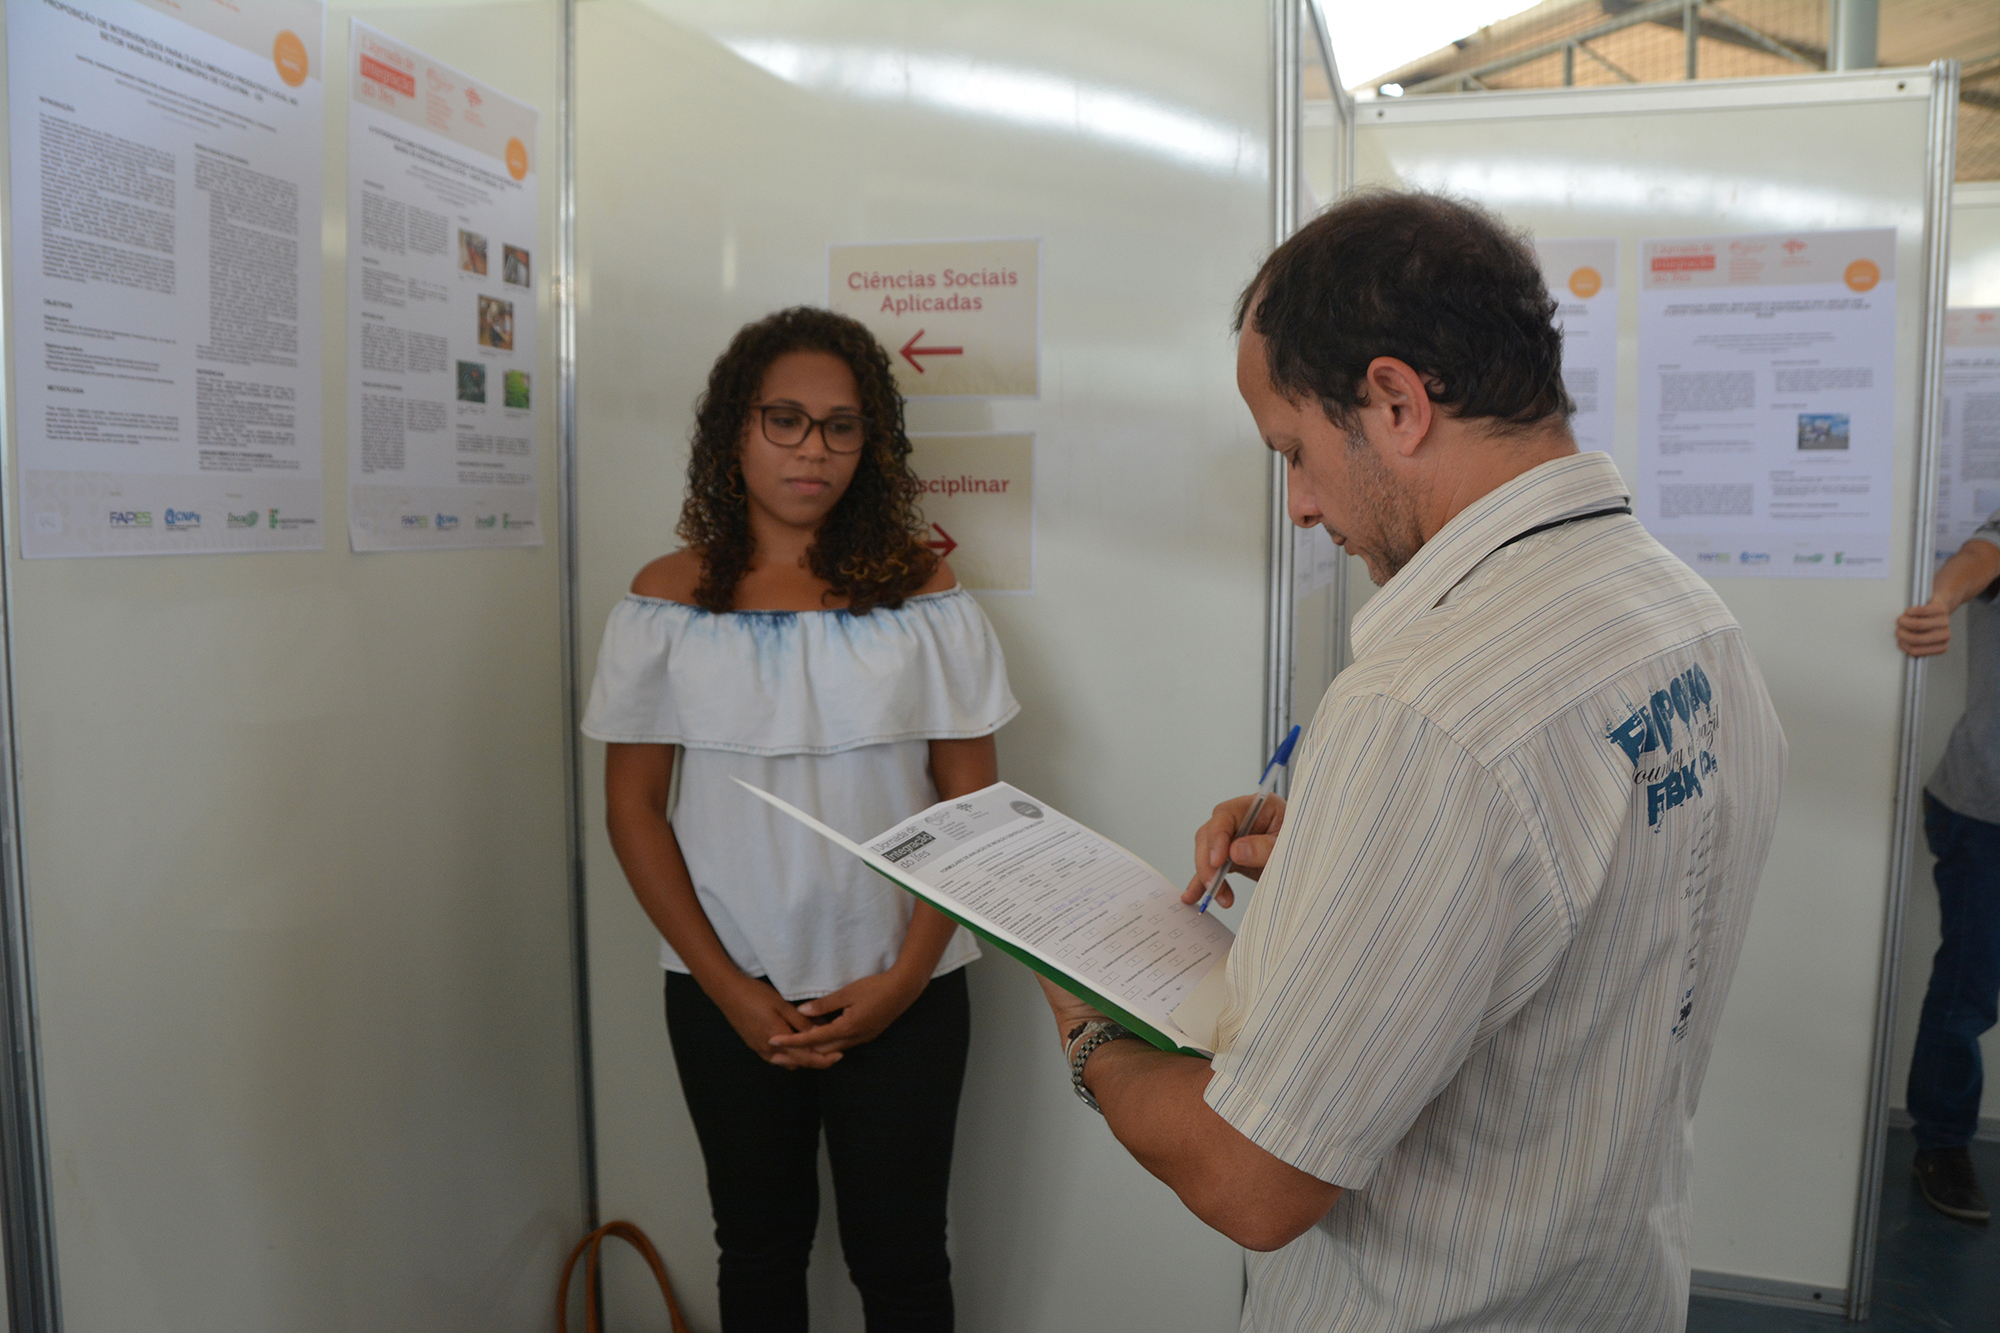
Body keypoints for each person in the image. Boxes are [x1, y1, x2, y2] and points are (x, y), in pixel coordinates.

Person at [1039, 191, 1788, 1330]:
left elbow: (1253, 1181)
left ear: (1394, 402)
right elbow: (1580, 916)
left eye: (1293, 452)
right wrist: (1348, 851)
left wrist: (1086, 1018)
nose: (1299, 506)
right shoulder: (1686, 619)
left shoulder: (1426, 711)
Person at [583, 306, 1017, 1331]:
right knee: (757, 1251)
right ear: (733, 429)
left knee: (903, 1264)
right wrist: (732, 990)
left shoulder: (924, 594)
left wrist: (904, 979)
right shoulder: (665, 601)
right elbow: (633, 810)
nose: (812, 449)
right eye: (784, 419)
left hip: (905, 983)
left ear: (871, 444)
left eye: (840, 425)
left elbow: (973, 807)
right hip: (724, 988)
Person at [1894, 515, 2000, 1224]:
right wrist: (1938, 602)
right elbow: (1978, 558)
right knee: (1967, 992)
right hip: (1984, 812)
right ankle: (1942, 1143)